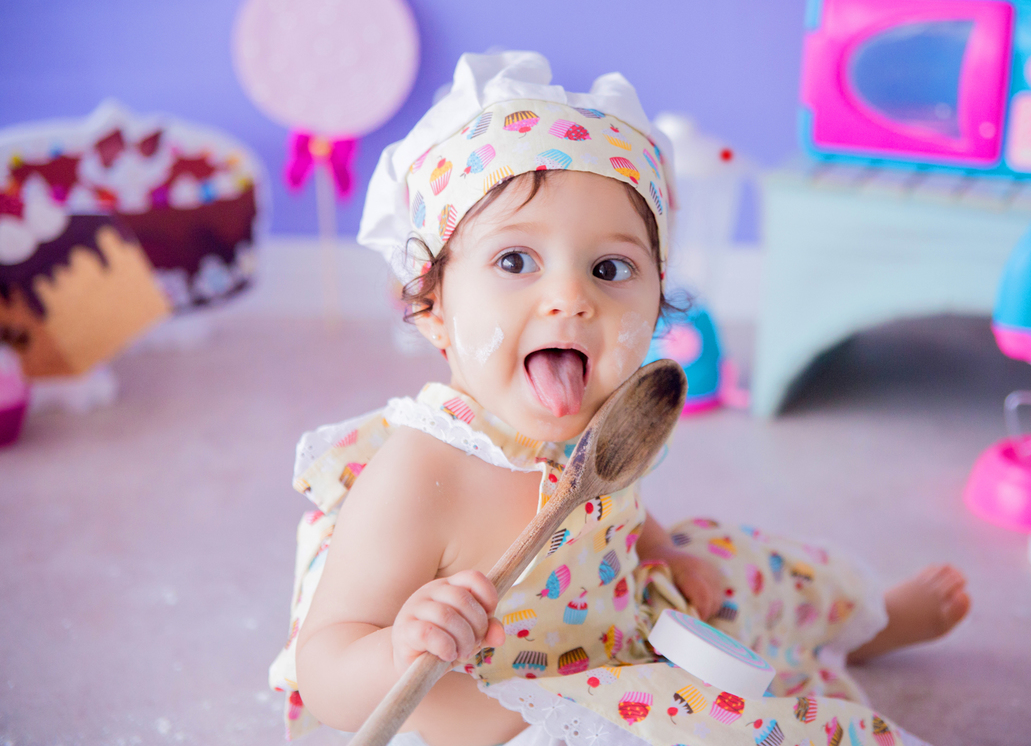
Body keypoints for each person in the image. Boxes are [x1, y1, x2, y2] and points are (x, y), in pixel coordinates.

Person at [268, 52, 970, 746]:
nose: (571, 297)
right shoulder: (421, 472)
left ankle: (866, 621)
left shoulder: (600, 415)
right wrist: (401, 646)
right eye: (515, 260)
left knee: (744, 572)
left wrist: (662, 550)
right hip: (514, 713)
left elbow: (607, 504)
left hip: (619, 628)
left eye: (610, 268)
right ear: (432, 306)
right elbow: (325, 666)